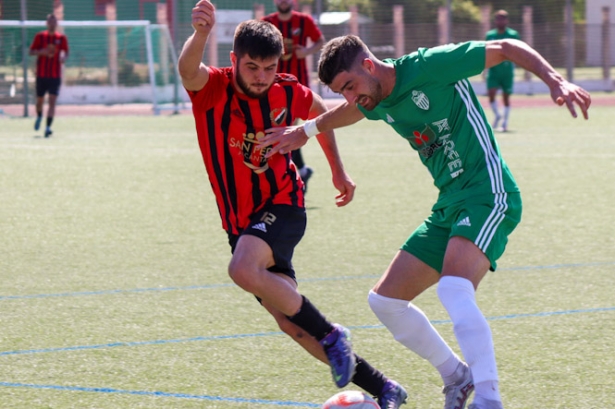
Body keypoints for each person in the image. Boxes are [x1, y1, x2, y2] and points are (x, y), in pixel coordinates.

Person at [261, 35, 591, 409]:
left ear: (369, 64)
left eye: (350, 86)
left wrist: (555, 79)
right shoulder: (373, 99)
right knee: (385, 302)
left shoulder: (430, 65)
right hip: (449, 204)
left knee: (453, 289)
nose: (351, 97)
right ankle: (457, 376)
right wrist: (305, 131)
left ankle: (488, 399)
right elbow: (350, 112)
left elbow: (506, 47)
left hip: (488, 193)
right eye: (341, 91)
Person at [178, 2, 408, 408]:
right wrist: (200, 35)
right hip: (239, 224)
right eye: (252, 68)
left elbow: (320, 115)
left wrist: (338, 171)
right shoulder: (213, 88)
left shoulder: (287, 89)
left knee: (242, 269)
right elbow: (187, 71)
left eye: (269, 68)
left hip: (282, 202)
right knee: (293, 323)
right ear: (234, 62)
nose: (263, 78)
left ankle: (335, 334)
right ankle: (384, 388)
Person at [263, 0, 325, 191]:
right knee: (280, 129)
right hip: (271, 84)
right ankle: (300, 171)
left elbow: (320, 41)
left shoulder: (304, 21)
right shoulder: (267, 22)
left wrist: (306, 51)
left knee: (287, 128)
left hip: (297, 84)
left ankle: (294, 174)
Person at [29, 14, 69, 138]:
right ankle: (39, 116)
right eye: (50, 22)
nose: (52, 24)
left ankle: (48, 128)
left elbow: (66, 52)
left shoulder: (61, 38)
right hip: (41, 75)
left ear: (56, 24)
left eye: (54, 22)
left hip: (55, 76)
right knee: (39, 101)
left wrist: (63, 57)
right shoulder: (40, 37)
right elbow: (31, 51)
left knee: (52, 102)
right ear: (47, 23)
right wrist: (42, 52)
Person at [485, 10, 520, 132]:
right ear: (495, 21)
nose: (500, 21)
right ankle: (497, 115)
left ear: (506, 20)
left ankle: (505, 122)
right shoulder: (490, 35)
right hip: (494, 71)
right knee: (491, 94)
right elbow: (486, 53)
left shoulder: (513, 34)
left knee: (506, 97)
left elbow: (519, 51)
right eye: (498, 19)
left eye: (502, 19)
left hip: (506, 72)